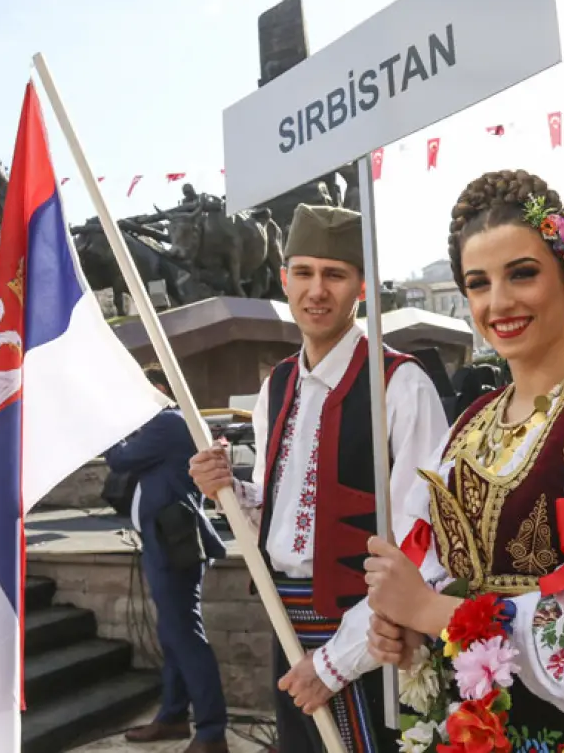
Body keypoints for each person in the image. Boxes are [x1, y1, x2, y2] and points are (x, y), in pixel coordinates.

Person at [365, 170, 564, 752]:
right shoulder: (470, 425)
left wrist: (434, 609)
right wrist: (409, 626)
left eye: (522, 273)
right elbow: (441, 570)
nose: (499, 302)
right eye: (478, 283)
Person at [189, 204, 449, 753]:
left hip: (371, 637)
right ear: (284, 279)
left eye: (335, 275)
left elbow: (424, 544)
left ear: (361, 286)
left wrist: (335, 663)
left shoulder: (400, 385)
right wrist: (231, 492)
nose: (316, 290)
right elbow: (282, 514)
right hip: (285, 622)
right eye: (303, 273)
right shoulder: (277, 385)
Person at [106, 365, 229, 753]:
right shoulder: (169, 423)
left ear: (159, 389)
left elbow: (121, 460)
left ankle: (211, 732)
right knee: (174, 637)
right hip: (166, 542)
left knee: (186, 637)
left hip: (174, 544)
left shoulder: (167, 423)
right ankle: (174, 717)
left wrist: (107, 430)